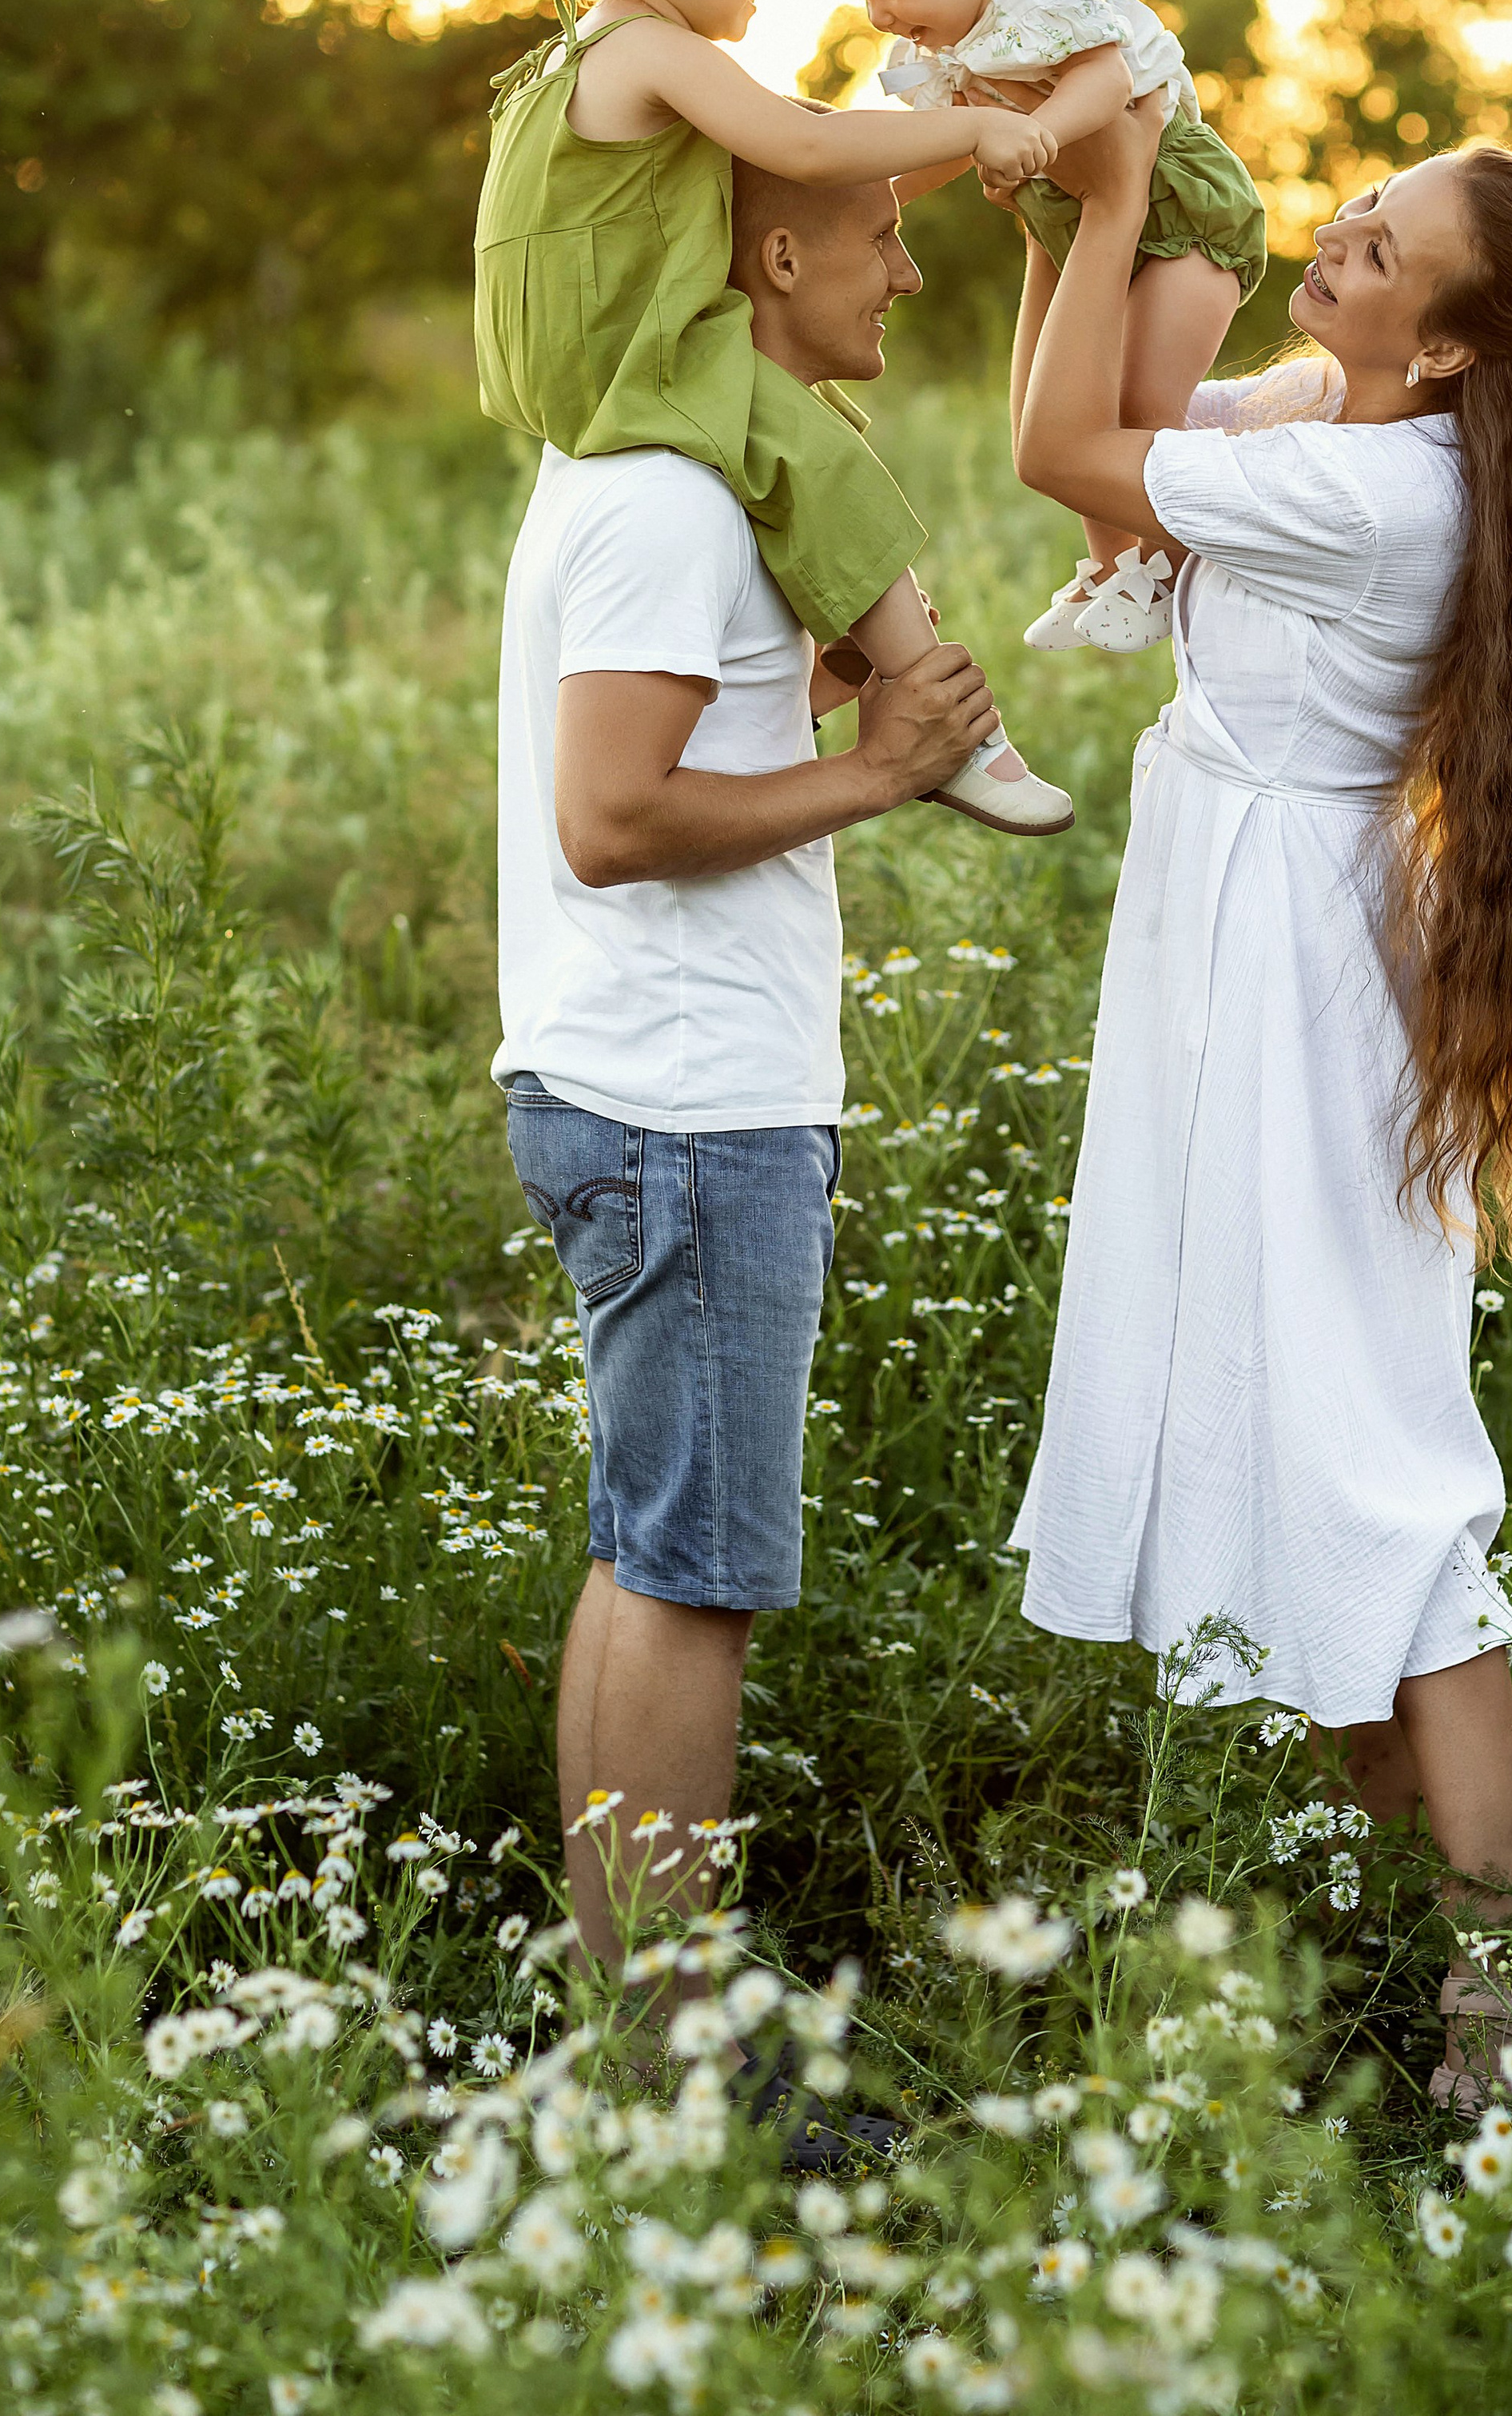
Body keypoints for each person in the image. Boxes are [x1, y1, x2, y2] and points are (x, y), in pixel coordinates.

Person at [1004, 97, 1512, 2114]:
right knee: (1277, 1411)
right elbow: (1110, 410)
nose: (1333, 239)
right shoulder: (1340, 411)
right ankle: (1409, 1910)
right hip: (1248, 935)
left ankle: (1501, 1949)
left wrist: (1112, 204)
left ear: (1450, 345)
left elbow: (1058, 454)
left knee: (1371, 1449)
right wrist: (1061, 221)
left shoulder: (1375, 490)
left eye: (1378, 249)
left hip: (1291, 970)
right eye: (1359, 207)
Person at [495, 148, 989, 2157]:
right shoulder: (675, 500)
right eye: (883, 236)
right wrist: (878, 772)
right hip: (685, 1102)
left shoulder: (669, 472)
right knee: (691, 1582)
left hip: (651, 1086)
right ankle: (675, 2085)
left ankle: (634, 2046)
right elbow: (609, 816)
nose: (908, 273)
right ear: (774, 253)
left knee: (648, 1558)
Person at [475, 0, 1071, 836]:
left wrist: (967, 141)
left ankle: (845, 655)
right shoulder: (652, 51)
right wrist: (977, 130)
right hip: (638, 353)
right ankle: (940, 708)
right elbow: (806, 147)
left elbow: (834, 179)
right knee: (815, 449)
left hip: (592, 361)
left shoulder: (565, 64)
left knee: (799, 434)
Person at [818, 0, 1267, 656]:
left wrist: (1042, 135)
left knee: (1141, 405)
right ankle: (1116, 567)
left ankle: (1172, 570)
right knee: (1053, 416)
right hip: (1075, 219)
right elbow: (939, 149)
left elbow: (1107, 82)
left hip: (1180, 211)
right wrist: (871, 194)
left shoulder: (1038, 11)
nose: (877, 14)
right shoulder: (953, 55)